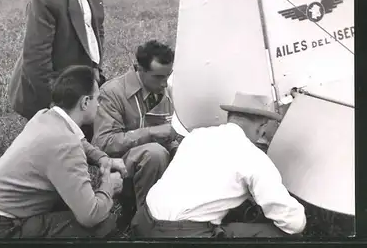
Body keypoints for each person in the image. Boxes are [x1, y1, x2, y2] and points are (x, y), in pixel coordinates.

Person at [0, 66, 127, 238]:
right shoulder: (65, 145)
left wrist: (101, 159)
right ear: (85, 102)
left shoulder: (45, 116)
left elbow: (79, 141)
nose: (99, 105)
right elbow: (90, 216)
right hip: (4, 229)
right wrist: (108, 185)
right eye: (97, 99)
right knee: (103, 225)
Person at [131, 92, 307, 238]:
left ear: (231, 117)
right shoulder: (253, 158)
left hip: (143, 223)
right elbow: (294, 223)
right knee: (285, 234)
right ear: (261, 127)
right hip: (182, 235)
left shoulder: (196, 136)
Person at [7, 0, 106, 140]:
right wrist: (56, 108)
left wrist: (95, 67)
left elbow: (97, 28)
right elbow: (36, 61)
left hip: (79, 78)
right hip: (50, 89)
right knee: (55, 145)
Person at [92, 40, 181, 229]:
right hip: (118, 171)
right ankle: (143, 223)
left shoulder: (168, 90)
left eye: (168, 76)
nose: (164, 83)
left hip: (157, 166)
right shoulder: (112, 92)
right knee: (154, 153)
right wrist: (150, 132)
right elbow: (103, 143)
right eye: (158, 77)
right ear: (139, 69)